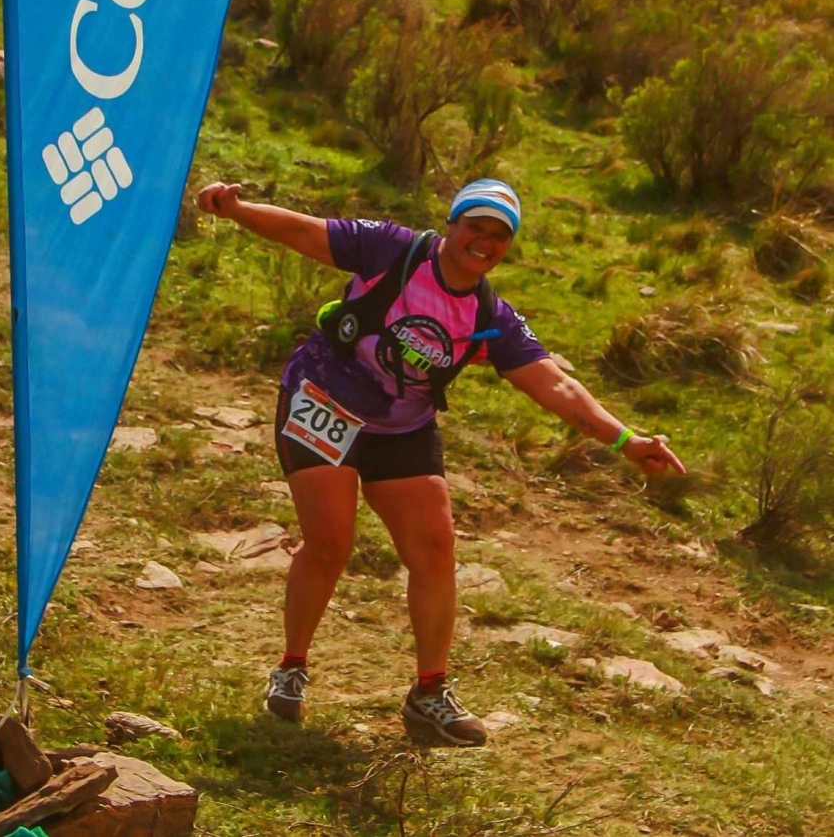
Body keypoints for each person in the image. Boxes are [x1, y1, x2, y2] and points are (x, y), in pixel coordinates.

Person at [196, 176, 685, 747]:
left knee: (435, 546)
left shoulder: (491, 315)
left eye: (500, 234)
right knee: (330, 542)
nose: (485, 240)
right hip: (324, 395)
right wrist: (235, 210)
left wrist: (625, 439)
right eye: (476, 224)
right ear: (452, 223)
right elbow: (305, 232)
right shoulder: (393, 250)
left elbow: (555, 384)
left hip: (402, 424)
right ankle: (292, 666)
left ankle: (429, 693)